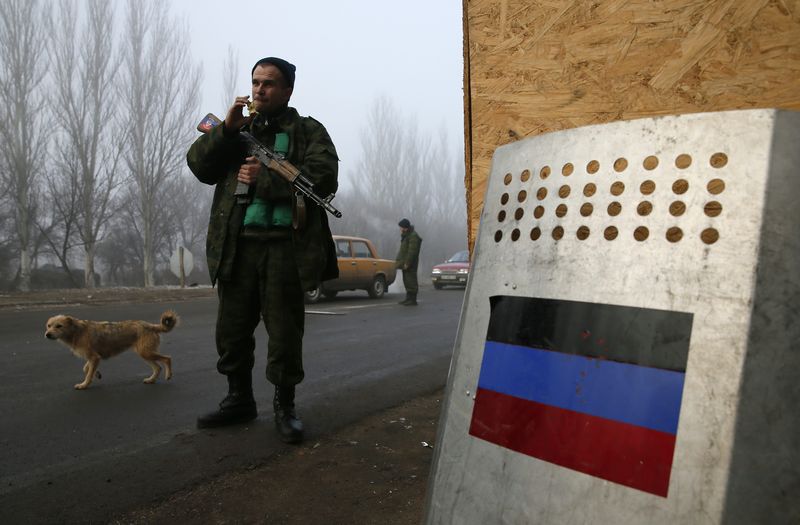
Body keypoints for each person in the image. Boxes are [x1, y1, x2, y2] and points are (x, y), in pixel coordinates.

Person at [186, 57, 339, 444]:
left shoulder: (307, 131)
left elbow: (321, 180)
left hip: (285, 250)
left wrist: (264, 179)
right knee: (232, 332)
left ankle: (284, 406)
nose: (260, 90)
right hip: (238, 249)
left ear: (287, 90)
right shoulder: (237, 130)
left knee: (285, 335)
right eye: (256, 82)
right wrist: (225, 130)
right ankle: (239, 399)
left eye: (269, 83)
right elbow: (199, 166)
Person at [395, 218, 422, 306]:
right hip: (405, 262)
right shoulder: (407, 235)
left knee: (411, 280)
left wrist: (407, 262)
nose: (400, 229)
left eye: (401, 227)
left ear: (405, 227)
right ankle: (408, 298)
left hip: (410, 263)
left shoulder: (413, 236)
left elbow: (412, 251)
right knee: (407, 280)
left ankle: (412, 300)